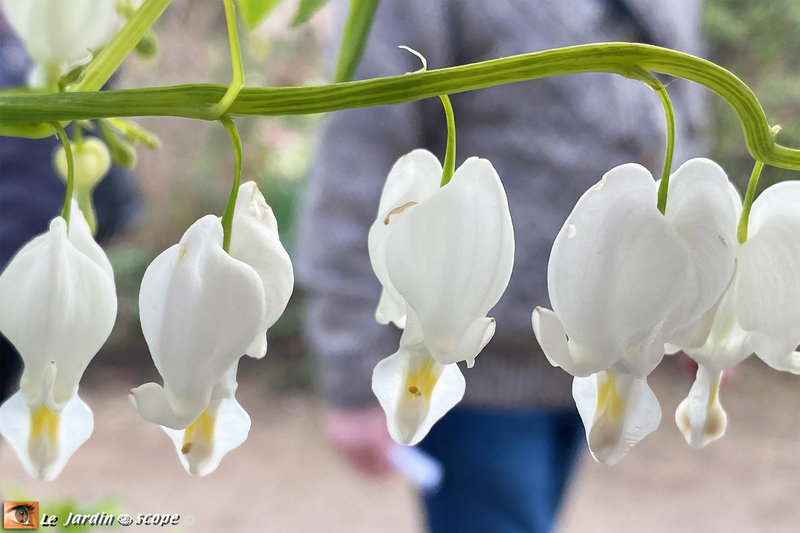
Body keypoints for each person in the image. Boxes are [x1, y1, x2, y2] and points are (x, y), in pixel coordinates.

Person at [295, 1, 705, 531]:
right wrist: (353, 376)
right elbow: (359, 157)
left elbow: (687, 143)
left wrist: (702, 307)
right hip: (471, 373)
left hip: (608, 356)